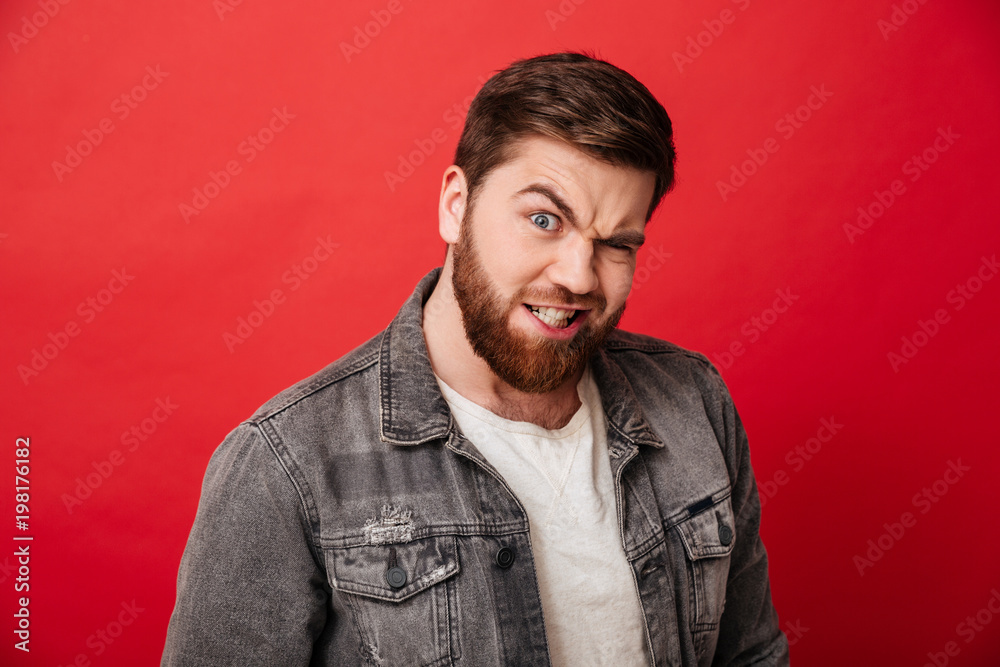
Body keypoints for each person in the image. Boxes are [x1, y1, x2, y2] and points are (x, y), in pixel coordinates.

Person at [162, 52, 789, 666]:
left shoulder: (694, 401)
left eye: (616, 244)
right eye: (544, 219)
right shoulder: (284, 464)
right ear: (456, 206)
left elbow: (751, 654)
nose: (576, 276)